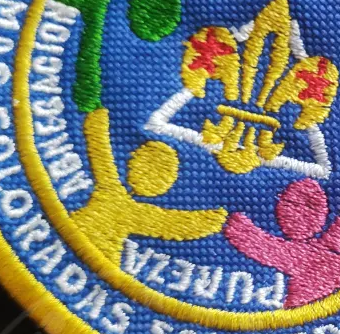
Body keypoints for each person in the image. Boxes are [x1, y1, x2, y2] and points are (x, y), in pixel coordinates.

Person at [71, 108, 227, 263]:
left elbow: (101, 153)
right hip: (97, 252)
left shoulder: (111, 188)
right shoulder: (132, 208)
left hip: (76, 232)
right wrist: (211, 220)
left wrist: (97, 124)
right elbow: (173, 223)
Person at [224, 171, 340, 307]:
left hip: (323, 303)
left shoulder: (297, 251)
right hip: (335, 299)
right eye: (293, 207)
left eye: (308, 207)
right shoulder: (327, 240)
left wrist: (231, 223)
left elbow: (254, 242)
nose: (300, 215)